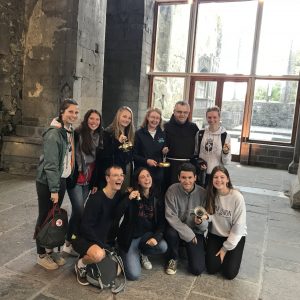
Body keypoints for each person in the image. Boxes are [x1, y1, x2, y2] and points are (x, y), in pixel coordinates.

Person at [34, 98, 79, 270]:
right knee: (45, 216)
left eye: (76, 112)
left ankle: (50, 249)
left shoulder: (68, 130)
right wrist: (54, 189)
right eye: (70, 112)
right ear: (62, 112)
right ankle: (41, 254)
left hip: (61, 180)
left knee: (54, 216)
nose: (74, 115)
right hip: (48, 182)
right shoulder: (54, 133)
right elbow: (51, 165)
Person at [111, 167, 168, 281]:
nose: (147, 179)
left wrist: (156, 238)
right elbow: (116, 215)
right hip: (130, 238)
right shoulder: (131, 194)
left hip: (146, 236)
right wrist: (128, 198)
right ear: (138, 181)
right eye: (142, 177)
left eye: (148, 175)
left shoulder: (156, 197)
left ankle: (142, 253)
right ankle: (122, 252)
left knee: (163, 246)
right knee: (134, 275)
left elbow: (162, 222)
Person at [72, 165, 125, 285]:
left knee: (118, 270)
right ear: (107, 178)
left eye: (121, 175)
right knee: (98, 255)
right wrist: (102, 246)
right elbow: (85, 228)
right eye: (115, 175)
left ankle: (93, 262)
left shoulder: (117, 196)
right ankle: (81, 264)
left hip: (101, 241)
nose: (120, 178)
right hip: (84, 238)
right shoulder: (96, 199)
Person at [63, 109, 103, 256]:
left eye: (97, 120)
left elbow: (97, 163)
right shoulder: (78, 133)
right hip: (76, 179)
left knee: (77, 212)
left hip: (88, 180)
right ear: (86, 119)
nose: (94, 122)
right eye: (91, 119)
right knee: (79, 211)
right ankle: (69, 241)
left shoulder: (99, 136)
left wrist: (94, 183)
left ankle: (71, 240)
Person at [164, 163, 207, 276]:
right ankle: (173, 258)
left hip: (195, 231)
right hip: (177, 229)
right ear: (178, 178)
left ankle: (187, 250)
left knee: (197, 269)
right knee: (170, 233)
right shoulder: (172, 190)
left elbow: (206, 222)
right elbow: (171, 216)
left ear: (195, 178)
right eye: (183, 177)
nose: (187, 181)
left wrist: (200, 223)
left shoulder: (203, 193)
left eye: (190, 177)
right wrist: (188, 234)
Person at [205, 166, 247, 280]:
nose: (219, 180)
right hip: (216, 234)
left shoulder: (237, 197)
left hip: (234, 236)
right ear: (212, 180)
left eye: (222, 177)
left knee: (229, 274)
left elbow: (238, 227)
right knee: (211, 269)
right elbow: (210, 216)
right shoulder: (211, 194)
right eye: (215, 177)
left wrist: (225, 249)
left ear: (227, 179)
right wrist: (205, 217)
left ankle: (230, 256)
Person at [194, 106, 231, 187]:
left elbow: (226, 161)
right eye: (209, 117)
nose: (212, 120)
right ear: (206, 118)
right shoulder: (200, 134)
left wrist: (225, 152)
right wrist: (199, 163)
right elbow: (196, 154)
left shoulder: (225, 136)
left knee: (214, 198)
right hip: (202, 173)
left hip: (217, 175)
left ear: (219, 117)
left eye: (215, 117)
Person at [133, 108, 168, 192]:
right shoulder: (139, 133)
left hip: (158, 173)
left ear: (160, 120)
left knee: (156, 196)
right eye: (152, 117)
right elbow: (133, 155)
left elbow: (163, 150)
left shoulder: (162, 133)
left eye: (157, 118)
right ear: (147, 117)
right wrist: (146, 161)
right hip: (143, 172)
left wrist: (164, 151)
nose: (155, 120)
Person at [164, 101, 199, 188]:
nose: (182, 115)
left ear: (188, 113)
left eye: (185, 112)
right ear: (174, 111)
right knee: (169, 191)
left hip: (188, 167)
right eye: (179, 112)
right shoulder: (165, 126)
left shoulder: (193, 127)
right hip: (170, 167)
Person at [99, 106, 135, 188]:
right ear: (118, 116)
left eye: (129, 118)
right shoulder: (108, 132)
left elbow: (129, 155)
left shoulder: (129, 133)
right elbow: (104, 155)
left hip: (122, 173)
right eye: (124, 116)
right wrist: (118, 142)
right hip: (110, 173)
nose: (127, 120)